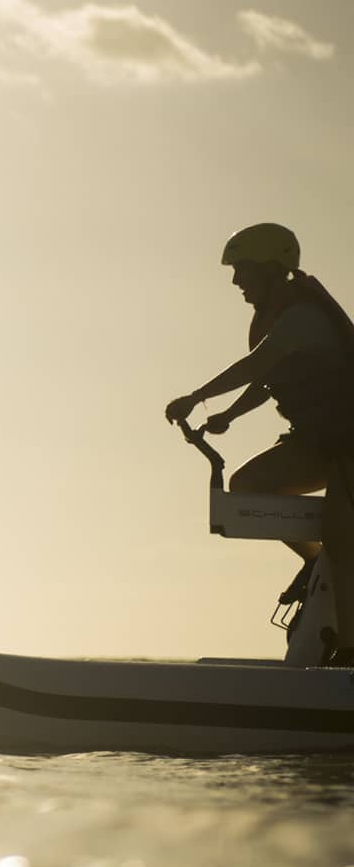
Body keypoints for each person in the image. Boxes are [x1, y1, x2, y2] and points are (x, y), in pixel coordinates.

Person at [165, 223, 354, 664]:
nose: (236, 282)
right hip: (324, 443)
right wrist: (228, 416)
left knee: (343, 538)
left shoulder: (303, 316)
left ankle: (348, 656)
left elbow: (257, 365)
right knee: (249, 485)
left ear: (271, 270)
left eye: (243, 271)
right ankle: (314, 564)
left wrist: (196, 397)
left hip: (349, 444)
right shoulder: (286, 318)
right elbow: (271, 380)